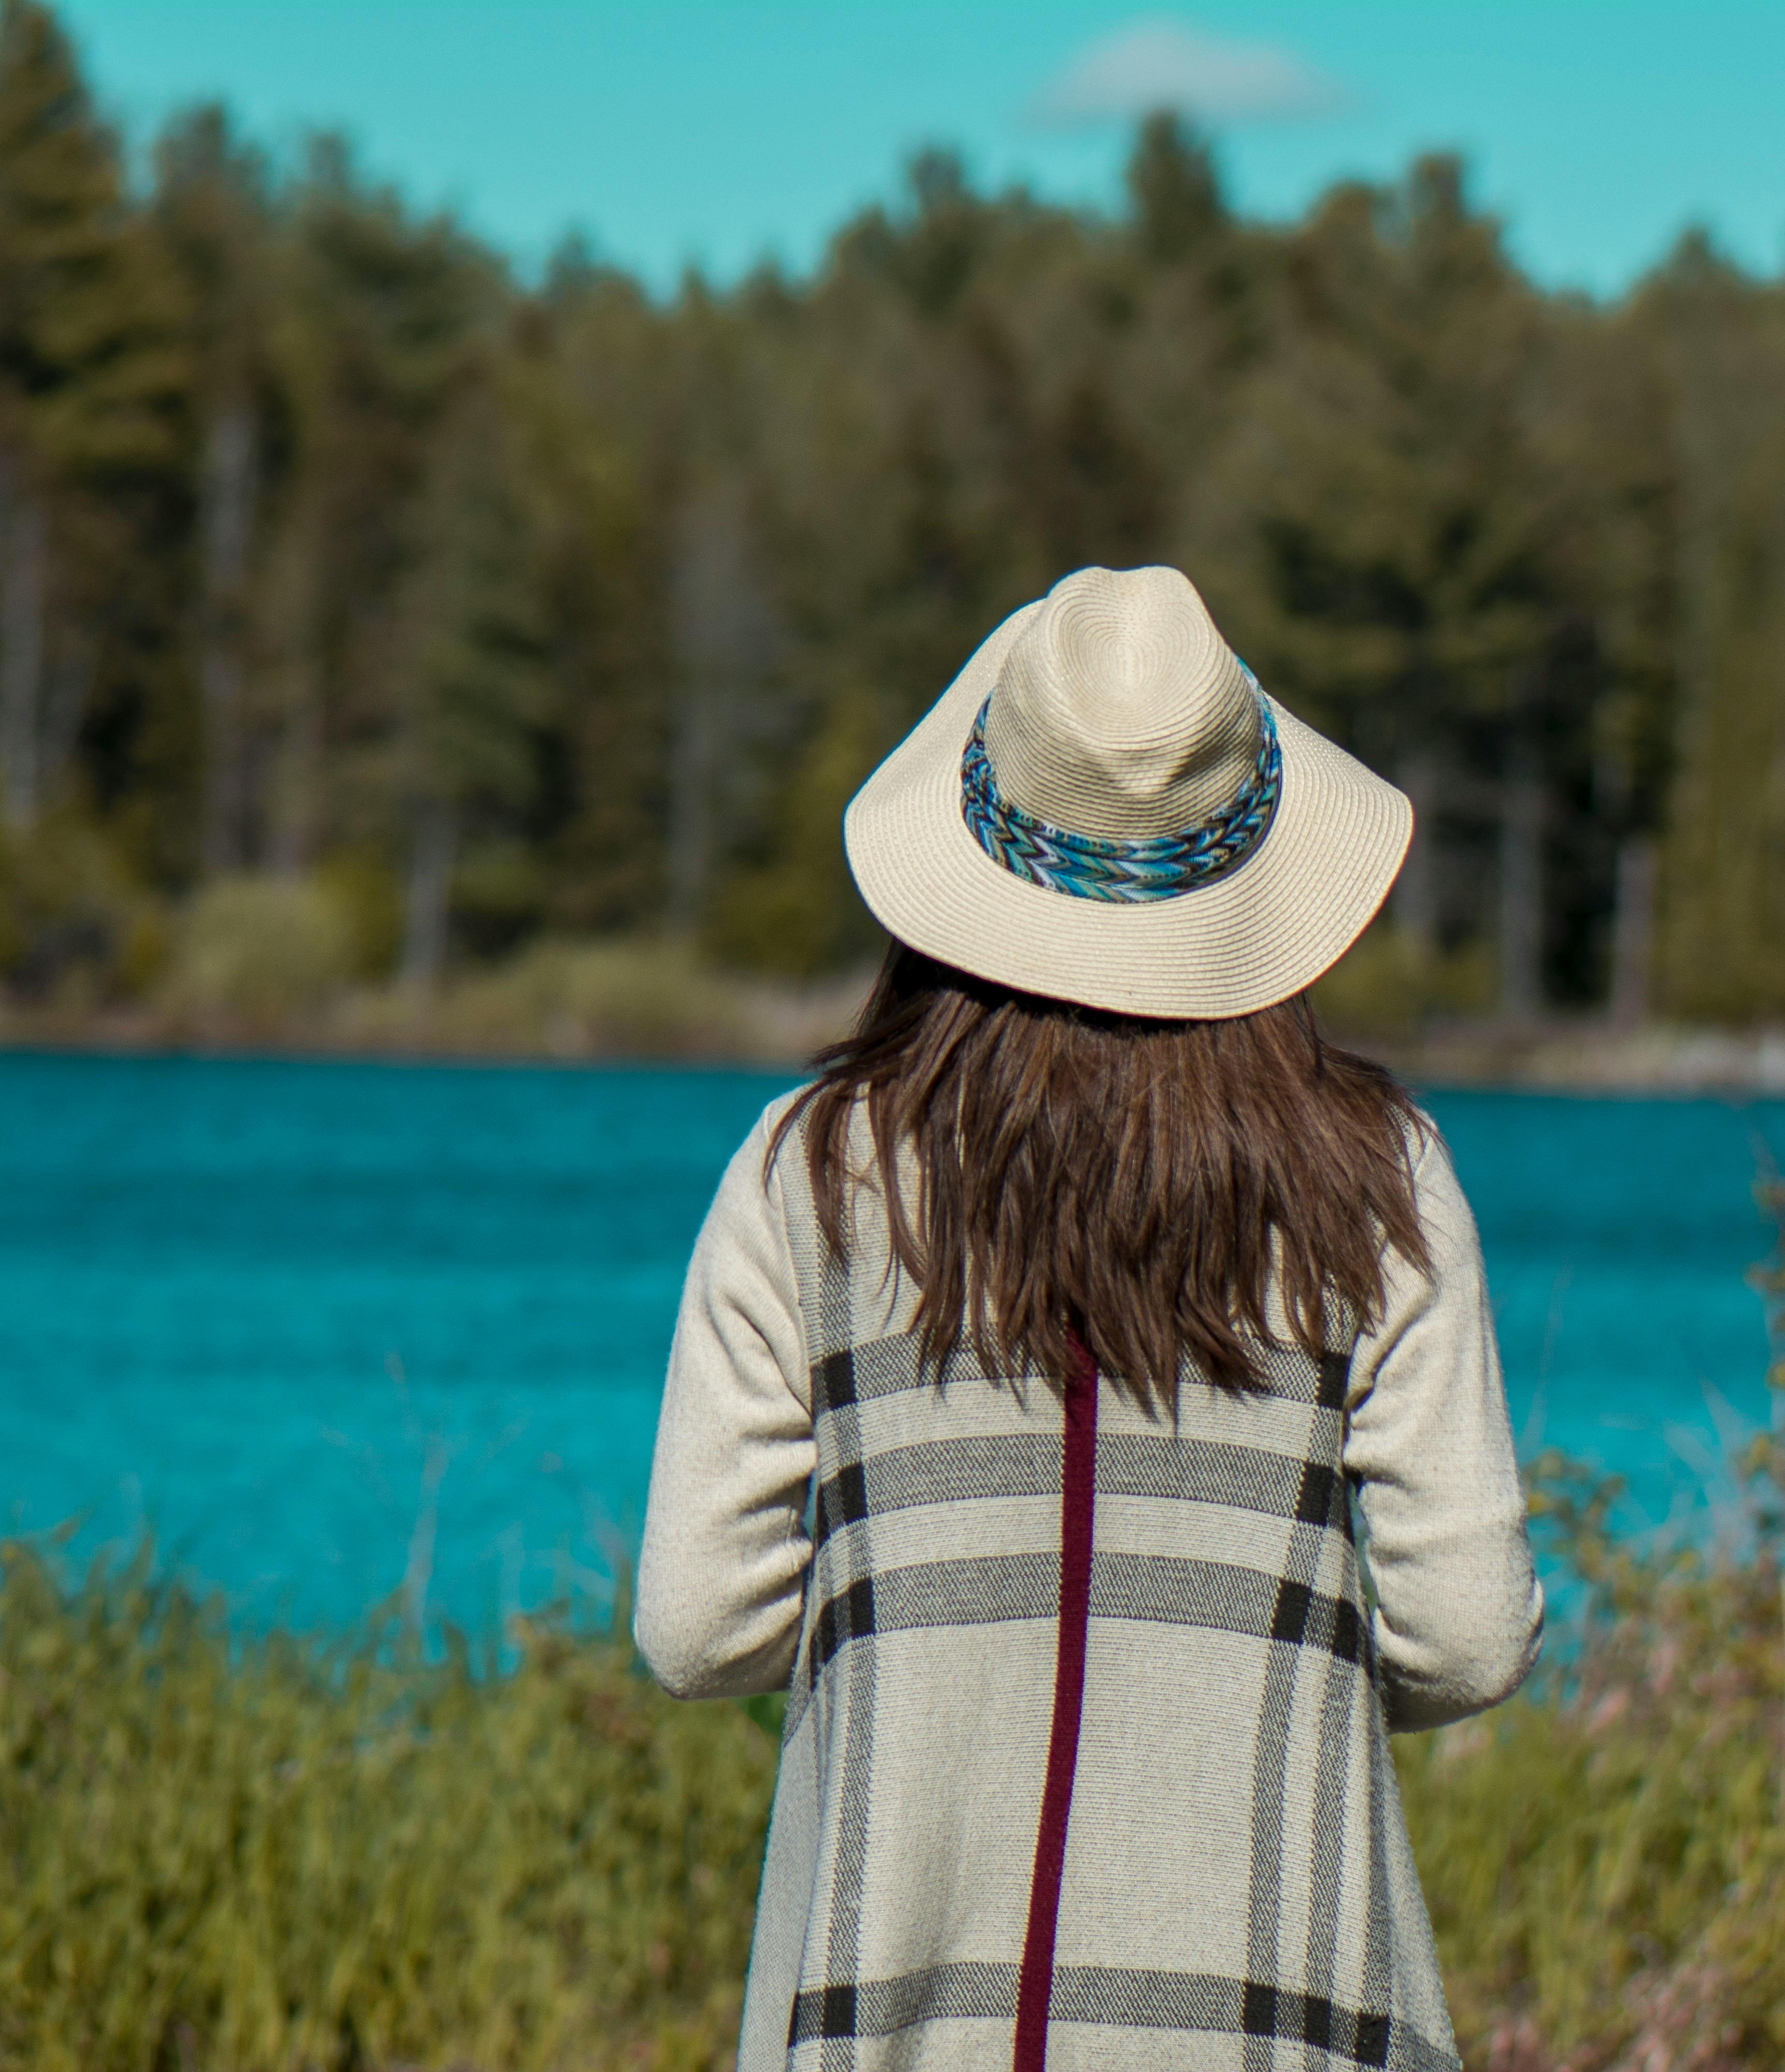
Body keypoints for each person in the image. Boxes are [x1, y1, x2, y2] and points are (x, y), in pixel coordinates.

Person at [637, 565, 1542, 2071]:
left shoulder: (816, 1176)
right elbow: (1466, 1637)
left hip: (892, 2015)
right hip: (1274, 2015)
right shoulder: (1379, 1179)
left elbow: (693, 1626)